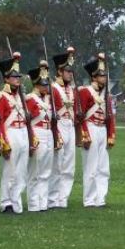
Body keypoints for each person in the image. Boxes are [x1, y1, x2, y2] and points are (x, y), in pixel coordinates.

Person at [0, 52, 33, 214]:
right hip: (11, 132)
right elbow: (0, 121)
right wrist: (3, 141)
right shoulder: (1, 97)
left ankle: (16, 200)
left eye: (18, 76)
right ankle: (6, 202)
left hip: (23, 132)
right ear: (6, 78)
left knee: (21, 170)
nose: (17, 79)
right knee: (10, 170)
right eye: (13, 76)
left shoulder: (22, 97)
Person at [78, 53, 116, 205]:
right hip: (91, 128)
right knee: (91, 167)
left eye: (104, 75)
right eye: (101, 75)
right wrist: (85, 135)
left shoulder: (106, 95)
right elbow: (80, 117)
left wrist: (111, 134)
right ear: (94, 77)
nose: (104, 78)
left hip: (102, 130)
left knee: (103, 167)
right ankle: (89, 199)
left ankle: (100, 198)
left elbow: (110, 116)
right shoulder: (85, 92)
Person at [48, 47, 78, 209]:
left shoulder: (71, 89)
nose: (70, 74)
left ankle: (63, 197)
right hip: (58, 125)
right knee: (56, 164)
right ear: (59, 71)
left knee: (69, 164)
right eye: (67, 71)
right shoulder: (53, 88)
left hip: (70, 125)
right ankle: (52, 198)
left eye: (71, 71)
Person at [25, 61, 56, 212]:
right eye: (43, 84)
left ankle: (43, 203)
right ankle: (33, 203)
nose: (46, 87)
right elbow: (27, 121)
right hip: (37, 133)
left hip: (48, 133)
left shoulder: (48, 99)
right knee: (35, 172)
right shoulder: (30, 99)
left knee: (46, 171)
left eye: (46, 84)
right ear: (36, 84)